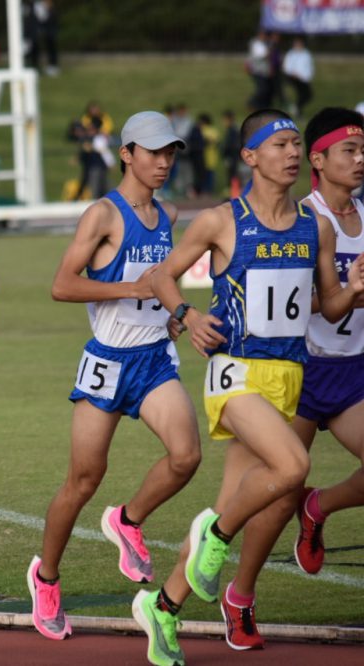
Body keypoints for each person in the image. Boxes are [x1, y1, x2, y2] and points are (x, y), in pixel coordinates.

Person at [133, 109, 364, 666]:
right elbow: (162, 276)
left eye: (296, 144)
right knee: (291, 469)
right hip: (235, 373)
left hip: (289, 378)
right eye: (280, 144)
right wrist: (187, 316)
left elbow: (328, 306)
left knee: (236, 500)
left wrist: (354, 291)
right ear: (250, 156)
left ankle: (161, 606)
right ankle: (214, 542)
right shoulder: (219, 220)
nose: (291, 153)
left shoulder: (319, 227)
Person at [28, 112, 200, 641]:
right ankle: (47, 577)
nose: (164, 162)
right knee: (82, 480)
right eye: (153, 152)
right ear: (126, 154)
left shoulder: (169, 214)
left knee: (186, 456)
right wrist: (133, 291)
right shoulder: (103, 214)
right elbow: (61, 285)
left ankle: (128, 519)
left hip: (151, 359)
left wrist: (170, 315)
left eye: (170, 153)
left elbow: (163, 284)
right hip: (106, 362)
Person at [220, 107, 364, 651]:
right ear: (319, 161)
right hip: (299, 373)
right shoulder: (301, 218)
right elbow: (317, 303)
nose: (360, 160)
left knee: (304, 494)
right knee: (275, 495)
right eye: (349, 151)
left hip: (354, 371)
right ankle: (240, 596)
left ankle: (319, 506)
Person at [282, 36, 314, 119]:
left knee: (308, 95)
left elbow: (309, 67)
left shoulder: (306, 54)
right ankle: (298, 111)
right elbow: (287, 67)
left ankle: (295, 107)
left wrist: (308, 77)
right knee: (302, 93)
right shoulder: (291, 54)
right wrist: (294, 74)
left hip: (304, 78)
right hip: (294, 77)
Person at [246, 30, 271, 111]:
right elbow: (260, 55)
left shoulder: (264, 43)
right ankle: (252, 102)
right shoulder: (256, 44)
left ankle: (261, 106)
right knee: (262, 89)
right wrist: (267, 54)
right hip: (257, 70)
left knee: (265, 89)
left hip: (263, 71)